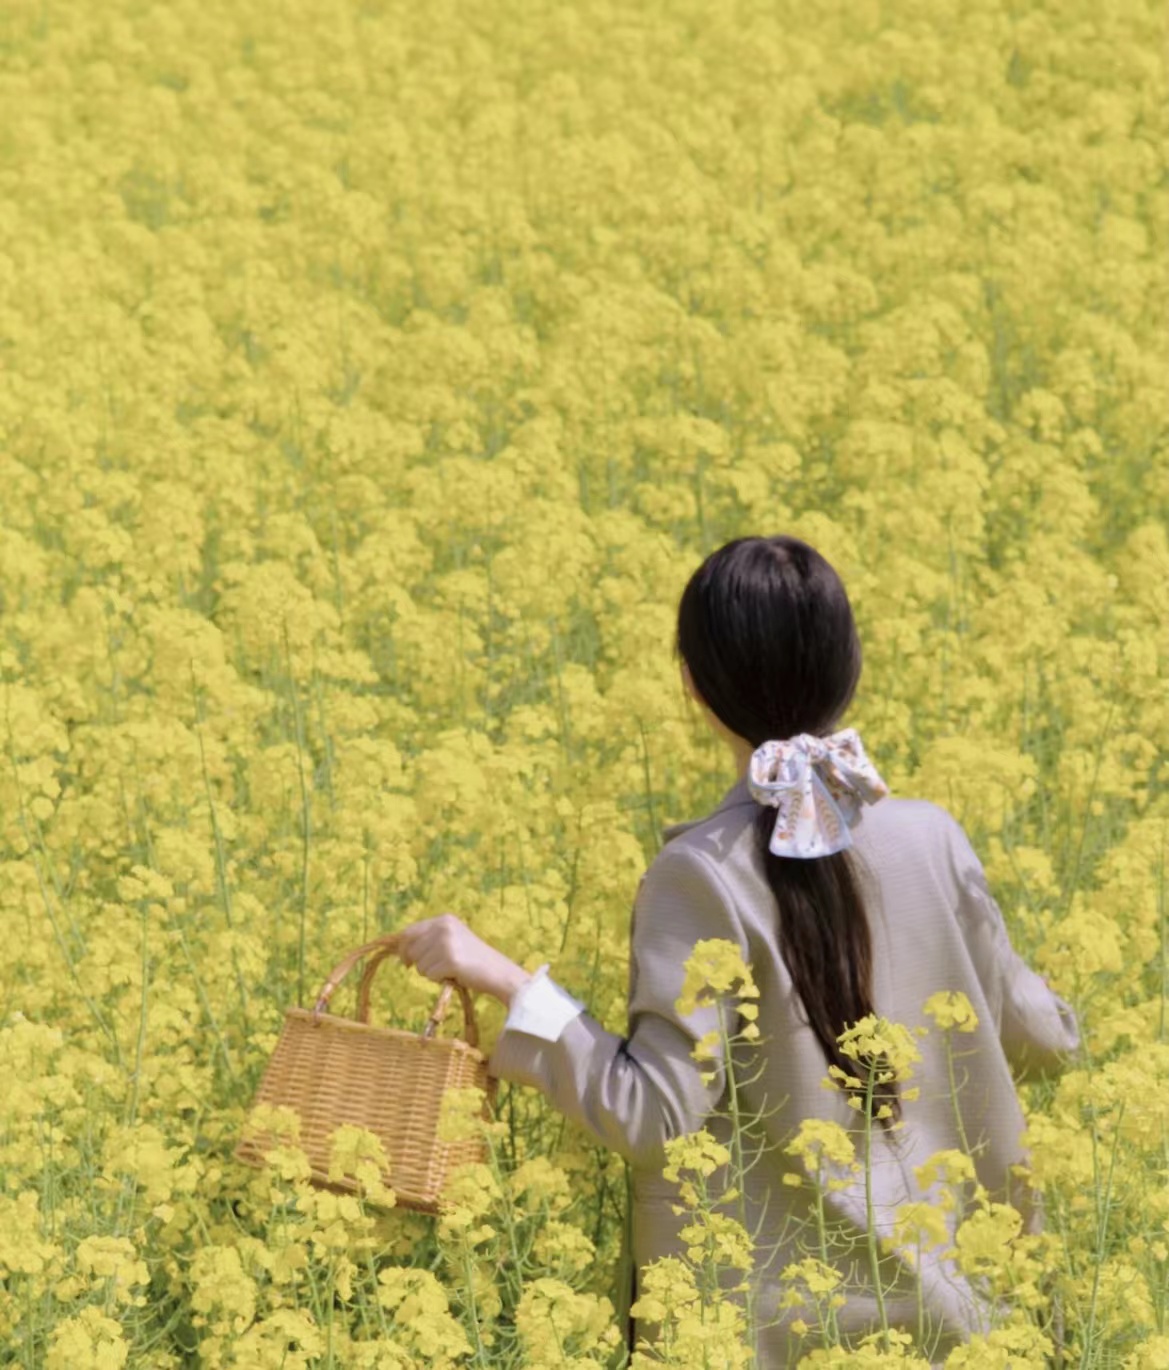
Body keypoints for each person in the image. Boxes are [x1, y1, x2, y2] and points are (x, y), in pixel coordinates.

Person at [391, 533, 1080, 1364]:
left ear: (693, 686)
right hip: (966, 1324)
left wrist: (506, 982)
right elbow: (1040, 1042)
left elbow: (654, 1116)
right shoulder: (932, 838)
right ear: (848, 669)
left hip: (789, 1335)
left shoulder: (700, 875)